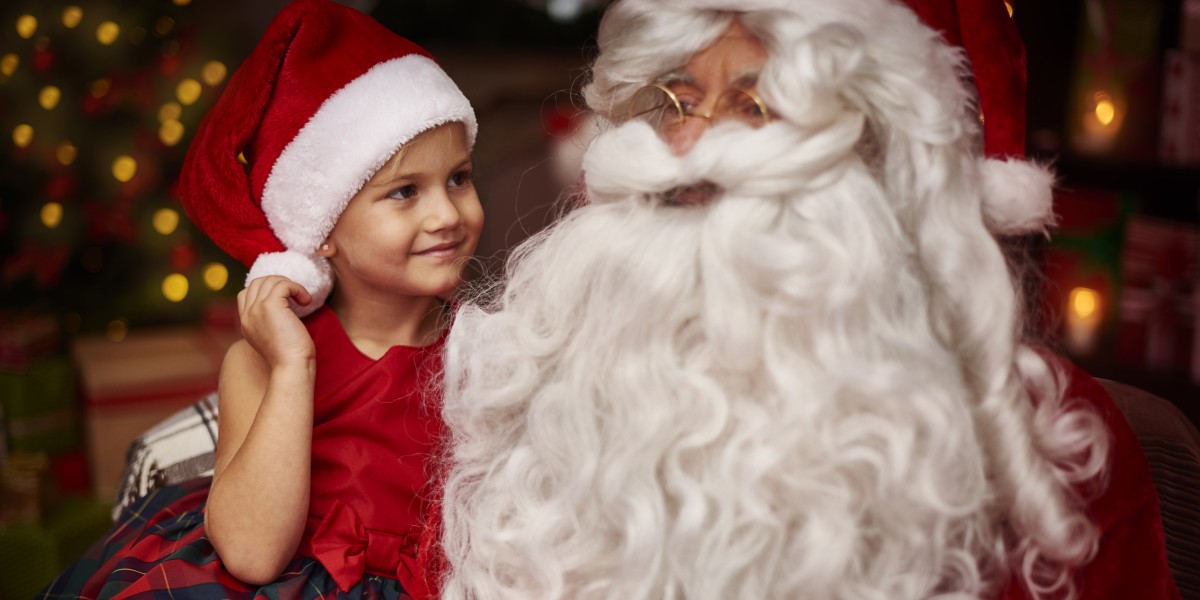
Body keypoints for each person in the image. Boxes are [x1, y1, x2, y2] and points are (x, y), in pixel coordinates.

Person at [434, 0, 1180, 598]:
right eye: (678, 102)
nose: (694, 147)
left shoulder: (1047, 444)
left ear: (886, 168)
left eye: (757, 107)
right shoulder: (556, 387)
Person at [39, 1, 480, 598]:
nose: (447, 214)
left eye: (459, 178)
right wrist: (293, 366)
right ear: (322, 226)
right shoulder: (263, 363)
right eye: (405, 192)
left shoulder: (492, 352)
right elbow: (252, 554)